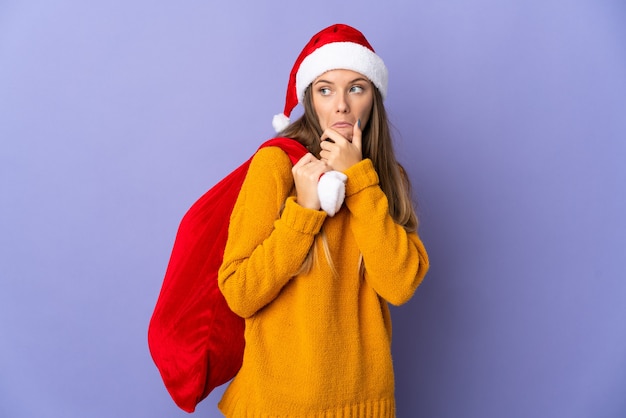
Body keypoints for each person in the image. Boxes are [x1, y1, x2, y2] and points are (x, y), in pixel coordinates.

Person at [217, 23, 429, 417]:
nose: (341, 105)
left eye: (356, 87)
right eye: (325, 89)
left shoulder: (385, 179)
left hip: (363, 404)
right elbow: (240, 293)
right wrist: (303, 212)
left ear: (373, 98)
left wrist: (361, 183)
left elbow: (399, 285)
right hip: (275, 405)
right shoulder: (276, 166)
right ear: (311, 99)